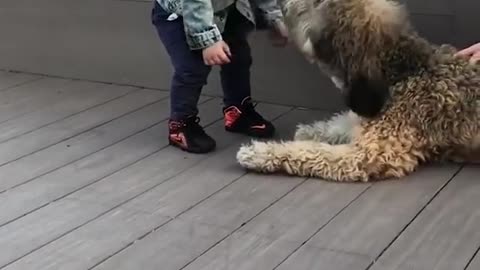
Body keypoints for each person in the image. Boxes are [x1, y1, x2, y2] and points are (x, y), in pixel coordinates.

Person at [151, 0, 288, 153]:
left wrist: (273, 17)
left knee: (238, 56)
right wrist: (207, 40)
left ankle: (237, 112)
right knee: (192, 67)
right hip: (181, 13)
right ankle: (180, 125)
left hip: (226, 9)